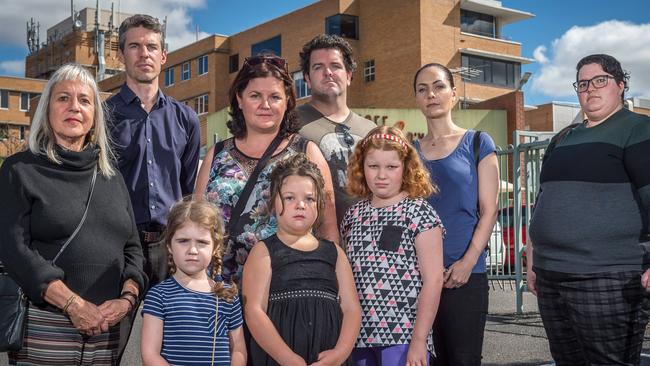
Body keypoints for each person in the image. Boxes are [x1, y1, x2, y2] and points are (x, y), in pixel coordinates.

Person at [0, 64, 146, 365]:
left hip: (107, 332)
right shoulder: (20, 170)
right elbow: (13, 250)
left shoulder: (112, 178)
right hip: (44, 328)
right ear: (47, 111)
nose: (74, 107)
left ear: (95, 117)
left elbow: (133, 250)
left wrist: (127, 299)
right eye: (63, 98)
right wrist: (73, 304)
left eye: (84, 100)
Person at [527, 53, 650, 365]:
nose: (590, 89)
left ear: (620, 85)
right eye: (583, 83)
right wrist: (533, 260)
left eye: (600, 80)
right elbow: (543, 201)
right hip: (551, 275)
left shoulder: (638, 130)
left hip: (610, 277)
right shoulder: (562, 139)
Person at [195, 54, 338, 283]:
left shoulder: (307, 152)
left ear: (287, 102)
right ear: (239, 100)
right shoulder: (216, 154)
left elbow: (328, 230)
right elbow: (196, 223)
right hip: (220, 293)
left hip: (287, 288)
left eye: (274, 97)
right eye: (255, 96)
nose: (265, 105)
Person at [412, 63, 499, 366]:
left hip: (465, 275)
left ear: (453, 93)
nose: (431, 94)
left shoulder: (477, 143)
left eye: (438, 86)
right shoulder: (409, 153)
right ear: (416, 99)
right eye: (422, 89)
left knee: (464, 359)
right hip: (419, 278)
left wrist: (467, 262)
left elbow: (489, 211)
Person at [106, 14, 201, 288]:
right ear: (121, 55)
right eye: (134, 46)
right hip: (119, 244)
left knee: (171, 328)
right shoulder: (103, 117)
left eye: (151, 47)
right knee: (119, 327)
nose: (143, 54)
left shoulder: (187, 119)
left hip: (169, 244)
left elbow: (186, 188)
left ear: (163, 56)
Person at [243, 153, 361, 365]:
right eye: (289, 198)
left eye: (309, 199)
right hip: (279, 358)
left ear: (320, 205)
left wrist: (340, 353)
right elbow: (254, 311)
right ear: (273, 201)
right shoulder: (263, 252)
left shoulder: (334, 253)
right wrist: (288, 359)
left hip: (328, 357)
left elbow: (352, 309)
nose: (300, 205)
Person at [341, 125, 445, 366]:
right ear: (361, 167)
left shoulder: (419, 212)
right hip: (358, 335)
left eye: (391, 167)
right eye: (373, 166)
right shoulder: (353, 215)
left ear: (406, 168)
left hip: (403, 335)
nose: (381, 175)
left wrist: (419, 341)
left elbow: (434, 280)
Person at [141, 198, 246, 365]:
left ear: (216, 247)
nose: (193, 250)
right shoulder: (158, 296)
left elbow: (239, 349)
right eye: (183, 241)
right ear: (169, 245)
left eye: (202, 242)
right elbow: (150, 354)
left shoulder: (227, 295)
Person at [297, 34, 376, 225]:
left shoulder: (371, 130)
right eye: (318, 67)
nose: (328, 72)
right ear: (307, 78)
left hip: (367, 242)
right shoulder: (290, 124)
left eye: (336, 66)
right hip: (313, 243)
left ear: (349, 75)